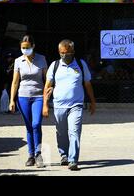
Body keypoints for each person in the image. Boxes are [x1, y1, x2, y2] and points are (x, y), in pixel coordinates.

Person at [42, 39, 96, 171]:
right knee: (61, 133)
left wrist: (93, 102)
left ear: (73, 52)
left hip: (76, 105)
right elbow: (47, 86)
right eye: (62, 53)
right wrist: (45, 104)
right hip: (59, 105)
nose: (65, 55)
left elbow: (87, 84)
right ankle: (64, 155)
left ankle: (73, 160)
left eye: (67, 53)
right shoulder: (54, 66)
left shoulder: (80, 64)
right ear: (59, 52)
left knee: (74, 131)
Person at [9, 35, 48, 168]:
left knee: (36, 124)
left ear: (33, 46)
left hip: (38, 96)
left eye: (27, 47)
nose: (25, 50)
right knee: (29, 127)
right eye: (23, 48)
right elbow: (15, 82)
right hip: (22, 97)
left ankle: (38, 154)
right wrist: (11, 101)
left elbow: (46, 80)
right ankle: (31, 155)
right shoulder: (18, 61)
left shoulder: (42, 59)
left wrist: (47, 99)